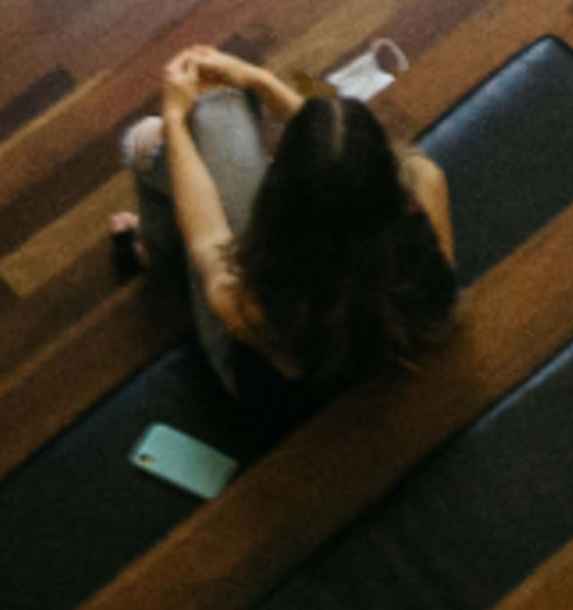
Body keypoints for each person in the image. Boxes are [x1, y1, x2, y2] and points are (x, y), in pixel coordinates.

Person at [111, 47, 454, 408]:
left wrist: (175, 118)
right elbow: (340, 160)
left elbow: (209, 240)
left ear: (281, 197)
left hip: (270, 394)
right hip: (375, 361)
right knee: (206, 121)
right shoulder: (424, 185)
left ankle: (154, 252)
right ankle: (155, 242)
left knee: (148, 142)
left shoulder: (257, 303)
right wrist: (259, 80)